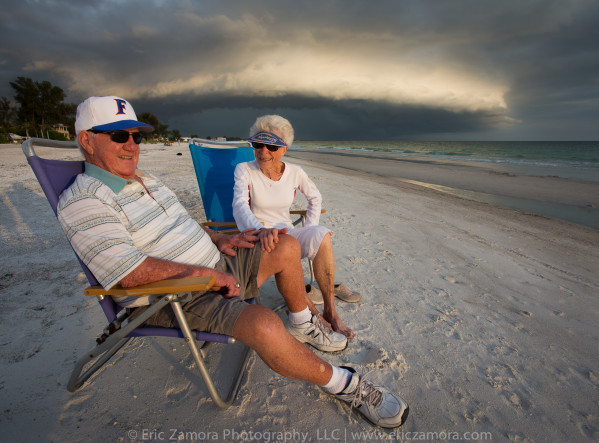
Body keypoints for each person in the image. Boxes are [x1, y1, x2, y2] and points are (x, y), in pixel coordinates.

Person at [56, 96, 408, 428]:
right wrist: (206, 275)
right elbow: (128, 272)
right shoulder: (84, 201)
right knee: (266, 325)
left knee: (286, 246)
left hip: (214, 264)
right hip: (174, 295)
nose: (132, 145)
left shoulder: (147, 180)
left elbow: (184, 225)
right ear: (87, 141)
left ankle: (302, 322)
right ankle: (346, 384)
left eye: (136, 136)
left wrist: (219, 238)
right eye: (120, 136)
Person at [232, 115, 361, 339]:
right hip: (260, 236)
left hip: (287, 233)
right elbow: (239, 205)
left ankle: (330, 311)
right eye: (257, 144)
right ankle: (313, 315)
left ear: (284, 149)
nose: (263, 150)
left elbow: (315, 198)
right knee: (290, 244)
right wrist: (259, 229)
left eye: (271, 145)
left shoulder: (295, 172)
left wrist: (309, 228)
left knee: (321, 235)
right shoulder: (244, 170)